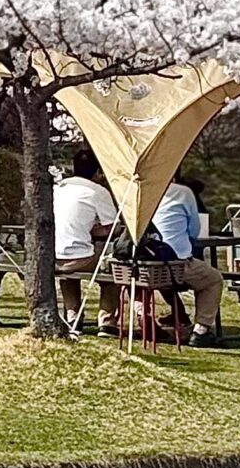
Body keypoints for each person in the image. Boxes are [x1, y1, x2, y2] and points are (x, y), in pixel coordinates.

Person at [134, 174, 227, 348]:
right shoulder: (183, 192)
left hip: (141, 264)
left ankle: (145, 316)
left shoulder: (138, 192)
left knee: (155, 276)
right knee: (213, 278)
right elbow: (194, 230)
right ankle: (201, 330)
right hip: (174, 263)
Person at [53, 147, 123, 335]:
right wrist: (93, 230)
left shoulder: (58, 187)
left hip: (53, 257)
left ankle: (72, 314)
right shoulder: (98, 192)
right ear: (98, 171)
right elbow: (113, 228)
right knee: (113, 268)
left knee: (68, 268)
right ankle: (107, 321)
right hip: (80, 258)